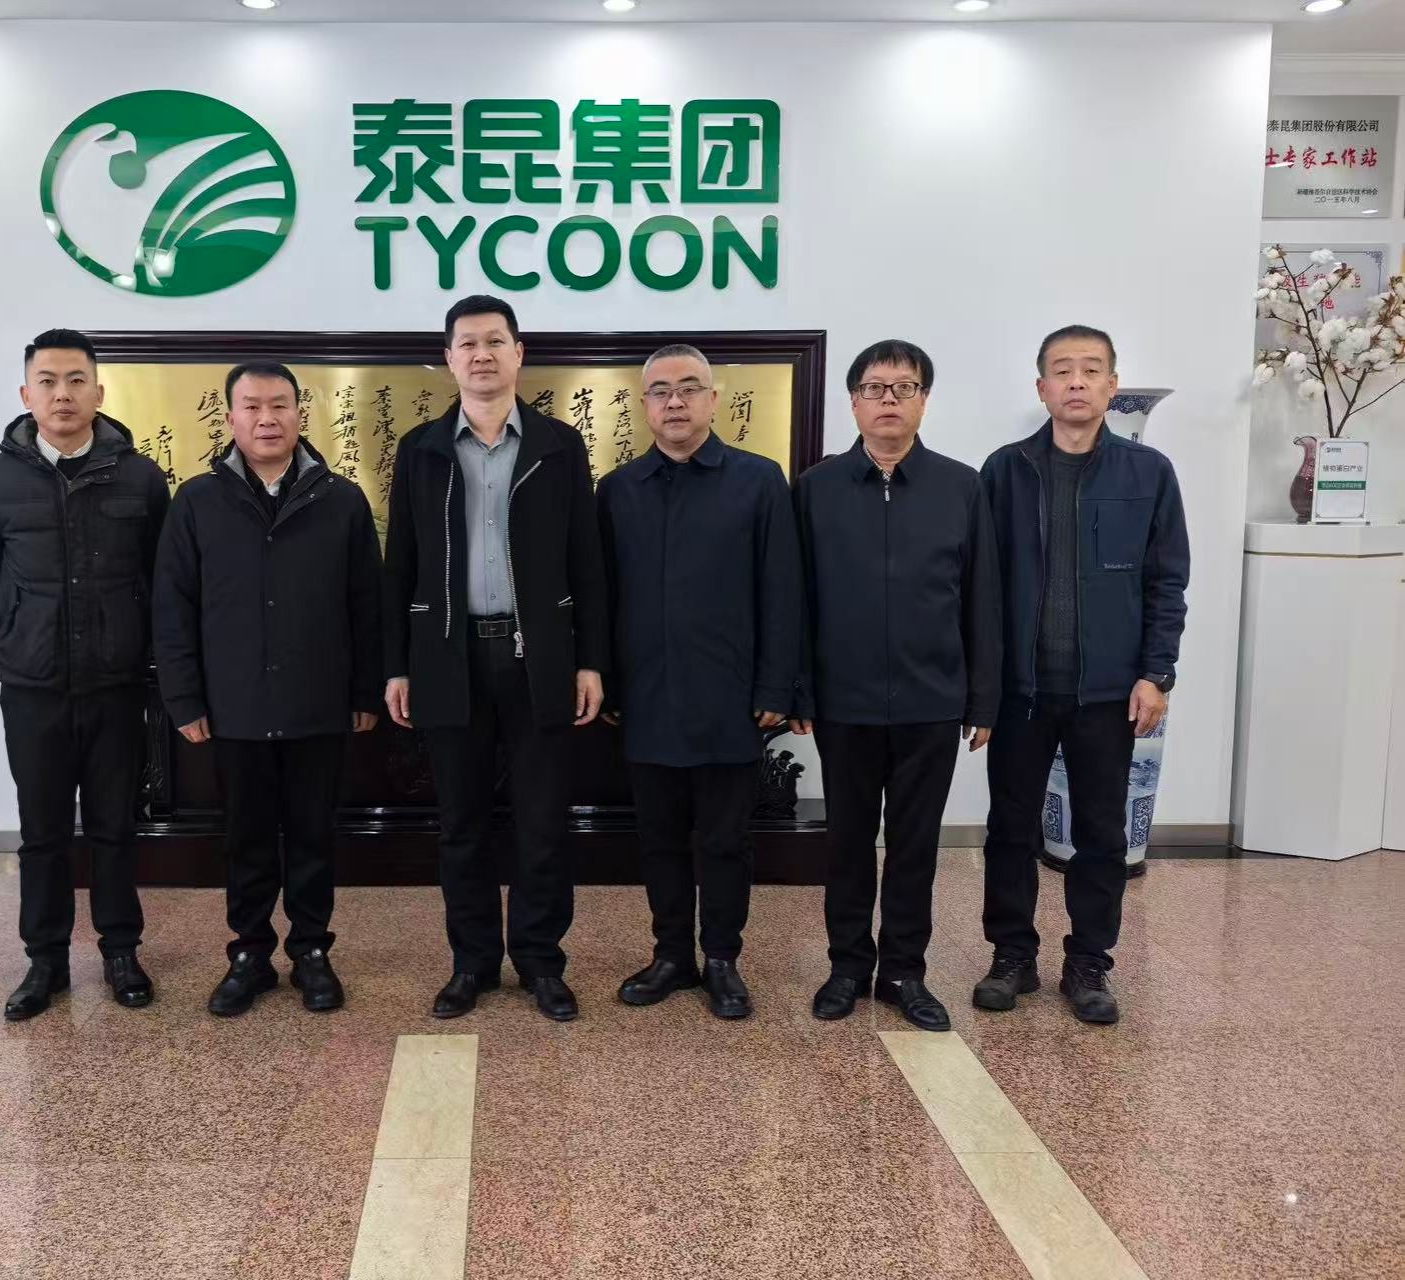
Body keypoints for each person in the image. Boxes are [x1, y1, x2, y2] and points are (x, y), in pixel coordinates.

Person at [382, 295, 608, 1022]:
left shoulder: (558, 445)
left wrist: (590, 660)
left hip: (539, 659)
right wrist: (397, 666)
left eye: (495, 341)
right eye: (467, 343)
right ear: (448, 359)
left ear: (519, 353)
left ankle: (540, 961)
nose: (481, 354)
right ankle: (472, 963)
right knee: (462, 823)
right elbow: (400, 562)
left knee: (543, 821)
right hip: (448, 658)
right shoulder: (420, 449)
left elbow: (587, 560)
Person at [974, 325, 1188, 1025]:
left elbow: (1166, 581)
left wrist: (1156, 674)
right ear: (1041, 388)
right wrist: (981, 687)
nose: (1076, 382)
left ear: (1111, 385)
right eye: (1062, 370)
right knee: (1010, 827)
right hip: (1022, 692)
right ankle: (1012, 955)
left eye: (1090, 370)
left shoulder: (1148, 473)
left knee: (1101, 833)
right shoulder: (1004, 471)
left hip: (1108, 693)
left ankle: (1089, 961)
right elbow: (980, 587)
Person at [154, 362, 382, 1017]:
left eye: (279, 405)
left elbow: (368, 605)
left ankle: (311, 951)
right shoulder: (197, 500)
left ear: (300, 414)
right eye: (252, 406)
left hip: (319, 702)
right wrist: (184, 698)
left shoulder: (341, 500)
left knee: (313, 836)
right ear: (230, 418)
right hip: (234, 705)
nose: (267, 418)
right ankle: (250, 954)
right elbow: (172, 607)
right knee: (246, 839)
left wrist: (365, 691)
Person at [791, 339, 1001, 1032]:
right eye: (875, 388)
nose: (889, 399)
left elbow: (983, 599)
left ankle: (905, 971)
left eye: (904, 387)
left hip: (931, 702)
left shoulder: (961, 487)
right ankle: (848, 966)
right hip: (844, 701)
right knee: (847, 842)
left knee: (915, 846)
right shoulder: (816, 488)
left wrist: (983, 699)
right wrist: (799, 690)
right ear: (853, 402)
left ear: (923, 401)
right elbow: (797, 599)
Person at [0, 328, 168, 1021]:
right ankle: (45, 959)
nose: (62, 394)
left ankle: (120, 950)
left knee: (114, 826)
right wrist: (21, 627)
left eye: (76, 380)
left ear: (99, 391)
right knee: (42, 831)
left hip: (116, 684)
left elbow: (157, 575)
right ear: (26, 394)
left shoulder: (140, 477)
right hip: (34, 686)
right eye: (47, 381)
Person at [597, 343, 800, 1020]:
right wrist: (610, 684)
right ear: (644, 405)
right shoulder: (619, 489)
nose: (675, 401)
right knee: (657, 838)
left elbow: (782, 591)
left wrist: (775, 688)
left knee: (724, 840)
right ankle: (671, 955)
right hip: (646, 697)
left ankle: (721, 959)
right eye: (661, 391)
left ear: (714, 400)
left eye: (689, 388)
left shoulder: (758, 481)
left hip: (730, 698)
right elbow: (603, 597)